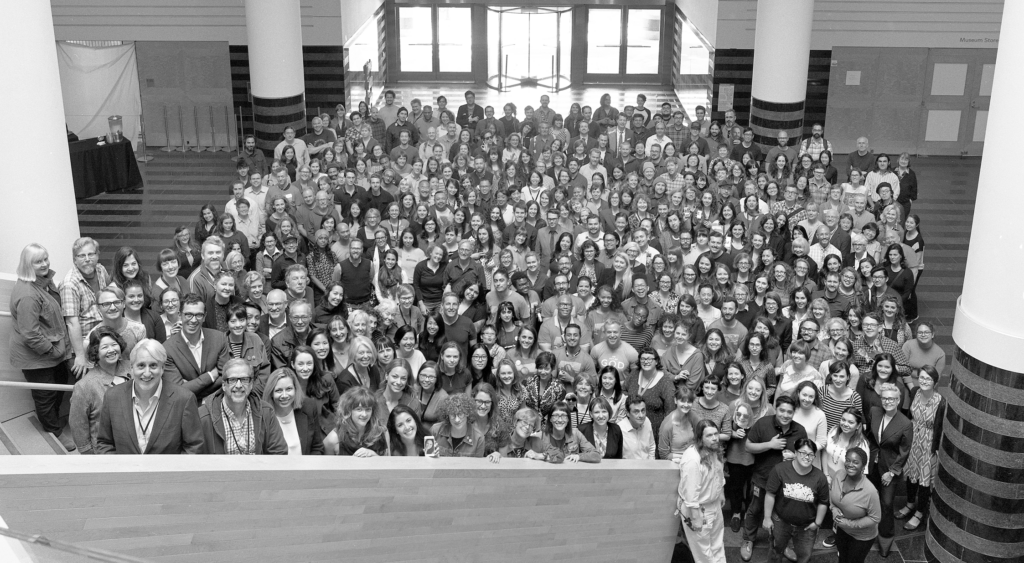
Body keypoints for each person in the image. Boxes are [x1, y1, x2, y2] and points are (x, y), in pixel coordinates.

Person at [10, 243, 76, 450]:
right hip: (38, 357)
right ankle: (53, 431)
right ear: (27, 265)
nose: (45, 264)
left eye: (46, 258)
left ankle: (54, 421)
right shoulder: (29, 294)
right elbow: (30, 333)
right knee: (45, 395)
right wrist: (53, 350)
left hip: (53, 351)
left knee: (59, 385)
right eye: (38, 261)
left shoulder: (43, 282)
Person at [94, 339, 205, 454]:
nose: (147, 373)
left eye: (153, 366)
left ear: (162, 369)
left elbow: (194, 447)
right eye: (141, 366)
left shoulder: (184, 399)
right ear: (131, 368)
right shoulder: (112, 397)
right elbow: (104, 443)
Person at [740, 395, 808, 562]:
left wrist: (795, 457)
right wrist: (769, 445)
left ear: (794, 413)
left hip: (787, 483)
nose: (785, 415)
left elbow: (805, 454)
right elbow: (748, 446)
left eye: (789, 412)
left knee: (783, 515)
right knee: (755, 509)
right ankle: (748, 539)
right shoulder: (763, 423)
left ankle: (782, 544)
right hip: (762, 478)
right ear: (775, 409)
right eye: (782, 410)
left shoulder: (799, 430)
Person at [197, 358, 288, 454]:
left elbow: (279, 453)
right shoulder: (202, 417)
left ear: (251, 384)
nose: (239, 385)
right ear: (224, 385)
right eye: (232, 380)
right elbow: (194, 458)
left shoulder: (266, 412)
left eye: (244, 379)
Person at [762, 438, 830, 563]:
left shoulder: (820, 477)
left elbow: (823, 502)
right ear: (796, 452)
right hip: (780, 521)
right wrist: (767, 517)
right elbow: (770, 494)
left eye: (810, 454)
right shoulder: (780, 469)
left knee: (804, 555)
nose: (807, 457)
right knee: (775, 551)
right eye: (803, 453)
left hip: (806, 527)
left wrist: (817, 523)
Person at [897, 365, 945, 532]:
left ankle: (919, 512)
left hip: (928, 443)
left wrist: (935, 449)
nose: (924, 381)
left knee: (924, 480)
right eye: (922, 377)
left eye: (928, 379)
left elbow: (940, 427)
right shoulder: (914, 392)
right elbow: (909, 416)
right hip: (913, 439)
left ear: (935, 382)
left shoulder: (940, 401)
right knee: (911, 475)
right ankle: (910, 503)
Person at [69, 327, 131, 453]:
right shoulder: (84, 386)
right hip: (105, 450)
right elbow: (78, 425)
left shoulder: (133, 368)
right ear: (95, 352)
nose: (111, 350)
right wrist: (88, 454)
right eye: (104, 347)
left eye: (114, 345)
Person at [868, 382, 913, 556]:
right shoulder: (874, 412)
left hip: (889, 468)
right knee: (869, 498)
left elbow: (904, 451)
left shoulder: (905, 423)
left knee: (886, 504)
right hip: (871, 464)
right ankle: (867, 531)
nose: (888, 401)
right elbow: (871, 438)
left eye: (892, 398)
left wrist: (892, 472)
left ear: (898, 400)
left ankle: (885, 539)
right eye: (884, 398)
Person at [676, 419, 728, 563]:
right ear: (700, 438)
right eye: (709, 435)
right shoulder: (693, 459)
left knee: (717, 543)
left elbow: (719, 473)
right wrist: (696, 517)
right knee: (703, 552)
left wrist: (721, 493)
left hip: (714, 503)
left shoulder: (715, 449)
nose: (714, 438)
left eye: (716, 434)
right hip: (698, 508)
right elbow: (690, 493)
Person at [60, 237, 111, 379]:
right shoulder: (69, 284)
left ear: (98, 255)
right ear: (74, 259)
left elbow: (108, 296)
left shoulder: (100, 270)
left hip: (103, 339)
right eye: (82, 255)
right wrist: (80, 356)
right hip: (83, 347)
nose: (87, 259)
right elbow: (71, 323)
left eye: (91, 254)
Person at [829, 447, 881, 563]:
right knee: (842, 558)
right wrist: (834, 509)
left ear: (863, 467)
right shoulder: (838, 475)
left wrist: (849, 524)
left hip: (862, 536)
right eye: (848, 460)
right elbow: (832, 495)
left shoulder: (870, 491)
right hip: (842, 530)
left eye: (855, 462)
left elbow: (875, 518)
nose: (850, 464)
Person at [262, 368, 324, 455]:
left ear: (295, 389)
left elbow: (317, 447)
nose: (284, 395)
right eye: (278, 390)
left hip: (305, 466)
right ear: (271, 393)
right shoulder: (263, 415)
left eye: (288, 389)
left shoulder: (308, 407)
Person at [325, 386, 389, 456]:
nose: (364, 414)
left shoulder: (381, 432)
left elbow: (388, 464)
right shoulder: (333, 438)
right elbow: (325, 466)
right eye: (359, 409)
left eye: (368, 409)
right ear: (348, 410)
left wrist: (374, 455)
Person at [431, 393, 487, 458]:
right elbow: (425, 461)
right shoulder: (435, 430)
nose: (457, 420)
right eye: (452, 415)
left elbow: (478, 466)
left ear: (467, 413)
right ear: (447, 415)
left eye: (460, 414)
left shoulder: (478, 438)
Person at [658, 384, 699, 460]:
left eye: (689, 402)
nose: (686, 405)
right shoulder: (667, 425)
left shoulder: (693, 417)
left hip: (693, 459)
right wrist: (686, 457)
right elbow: (663, 454)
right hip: (675, 462)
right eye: (682, 401)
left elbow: (699, 439)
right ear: (675, 400)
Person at [618, 394, 656, 460]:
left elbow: (651, 446)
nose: (641, 415)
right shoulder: (619, 429)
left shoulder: (647, 421)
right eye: (636, 412)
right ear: (627, 413)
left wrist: (651, 463)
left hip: (647, 467)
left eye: (643, 410)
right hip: (628, 468)